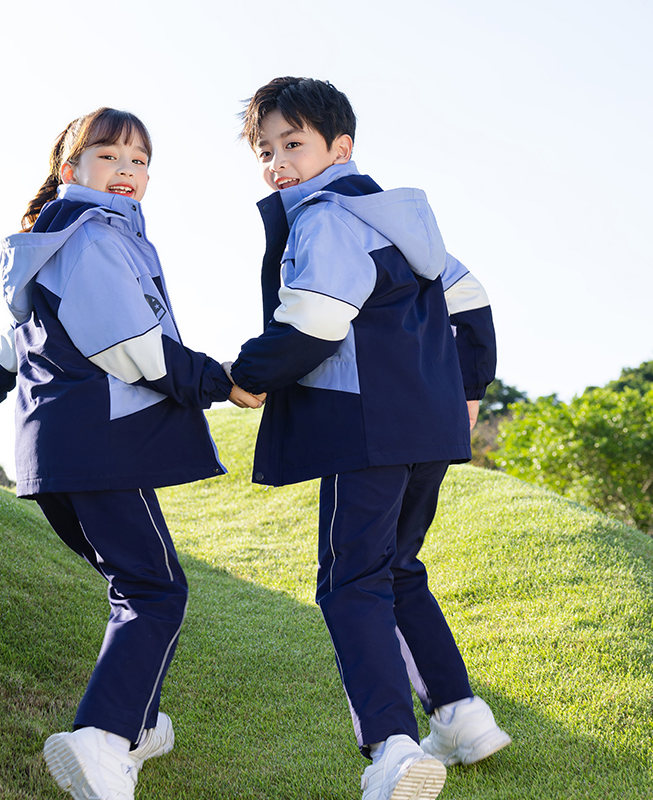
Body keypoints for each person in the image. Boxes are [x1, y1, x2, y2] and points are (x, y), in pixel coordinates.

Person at [0, 107, 263, 800]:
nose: (127, 172)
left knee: (142, 585)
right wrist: (223, 383)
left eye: (140, 161)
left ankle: (137, 727)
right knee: (156, 590)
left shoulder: (53, 245)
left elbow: (8, 346)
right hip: (100, 446)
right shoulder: (94, 239)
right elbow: (131, 348)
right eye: (110, 157)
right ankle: (102, 739)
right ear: (71, 172)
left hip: (54, 456)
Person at [227, 77, 510, 800]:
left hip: (366, 427)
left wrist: (244, 376)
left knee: (350, 582)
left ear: (340, 146)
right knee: (396, 568)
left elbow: (317, 319)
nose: (278, 162)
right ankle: (461, 716)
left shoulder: (326, 218)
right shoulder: (405, 220)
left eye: (293, 144)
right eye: (265, 150)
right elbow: (472, 303)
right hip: (428, 424)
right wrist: (468, 393)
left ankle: (391, 746)